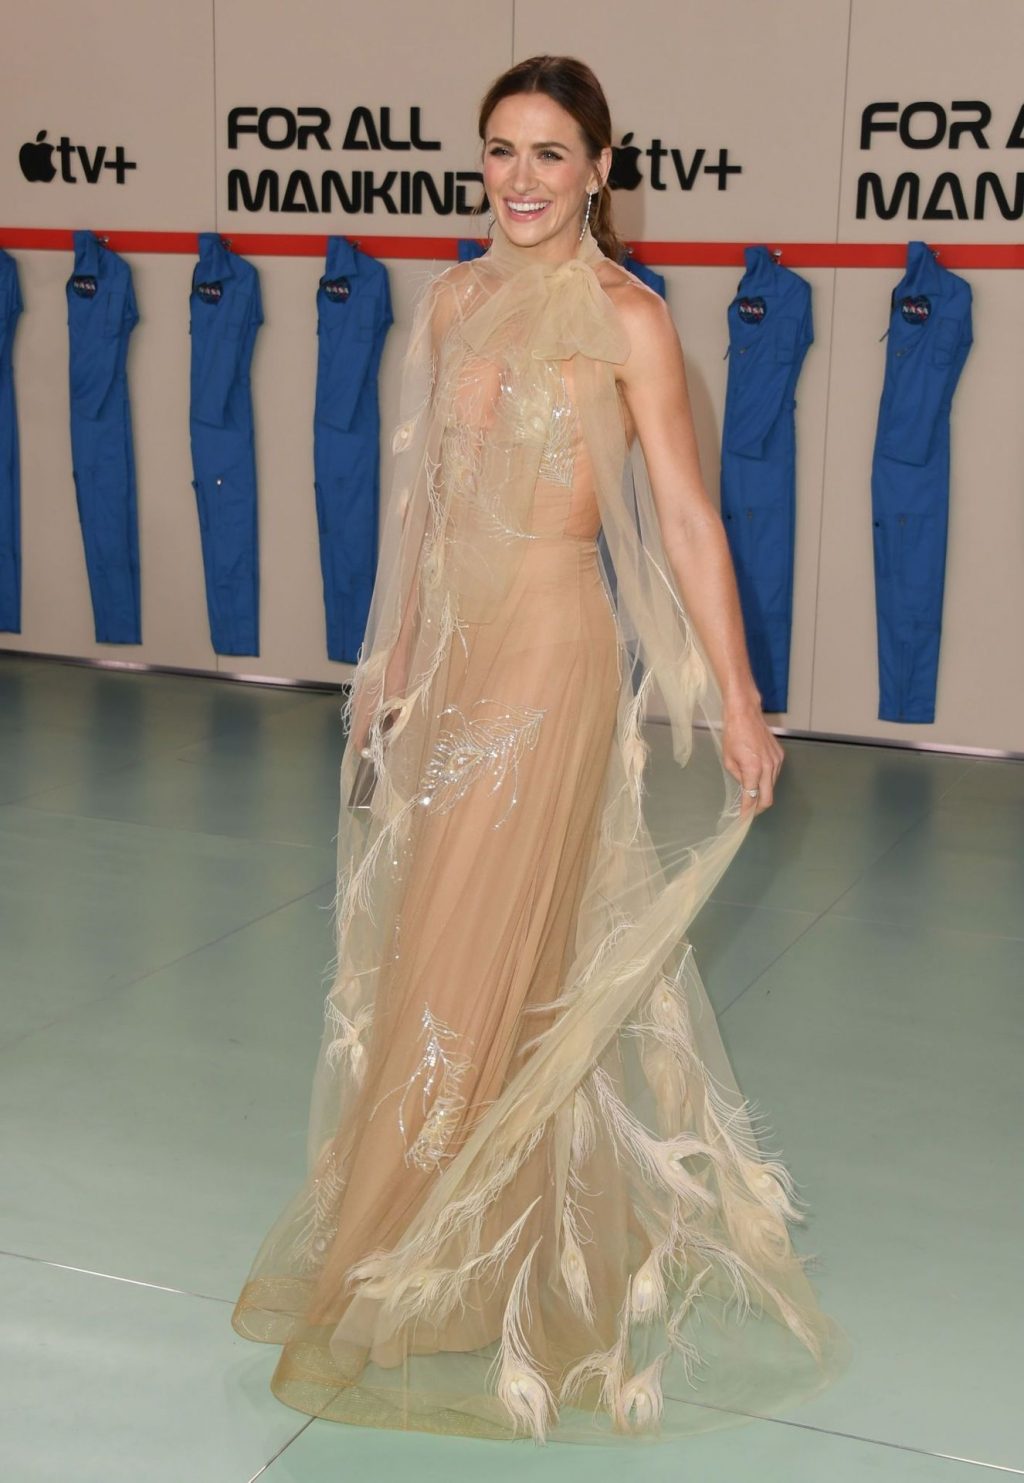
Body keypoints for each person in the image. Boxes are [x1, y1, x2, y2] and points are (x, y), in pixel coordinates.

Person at [230, 55, 851, 1445]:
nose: (520, 179)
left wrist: (740, 698)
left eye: (550, 153)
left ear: (599, 171)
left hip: (551, 661)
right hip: (452, 660)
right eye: (501, 150)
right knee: (439, 960)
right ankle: (466, 1254)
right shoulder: (452, 301)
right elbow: (426, 497)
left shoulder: (632, 321)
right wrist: (393, 657)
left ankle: (418, 1265)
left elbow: (686, 517)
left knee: (477, 957)